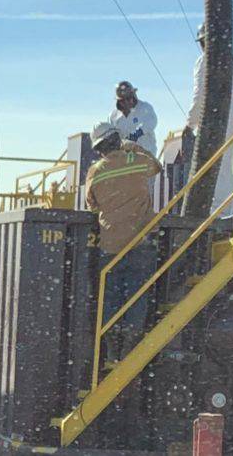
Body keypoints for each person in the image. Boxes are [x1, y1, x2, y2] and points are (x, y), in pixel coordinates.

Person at [85, 121, 162, 358]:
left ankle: (110, 346)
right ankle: (130, 343)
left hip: (110, 246)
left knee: (110, 298)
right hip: (139, 243)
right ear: (117, 139)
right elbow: (156, 166)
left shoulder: (96, 171)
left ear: (98, 149)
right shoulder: (136, 160)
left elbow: (91, 204)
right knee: (136, 296)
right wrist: (132, 145)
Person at [185, 23, 233, 216]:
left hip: (218, 120)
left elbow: (200, 97)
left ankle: (217, 214)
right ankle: (229, 212)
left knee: (215, 169)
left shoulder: (204, 62)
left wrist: (190, 124)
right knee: (231, 170)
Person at [109, 80, 159, 156]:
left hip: (146, 155)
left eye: (129, 98)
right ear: (119, 102)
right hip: (125, 158)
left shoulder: (145, 108)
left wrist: (136, 134)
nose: (127, 102)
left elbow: (152, 122)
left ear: (134, 96)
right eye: (123, 100)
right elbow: (111, 134)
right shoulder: (113, 116)